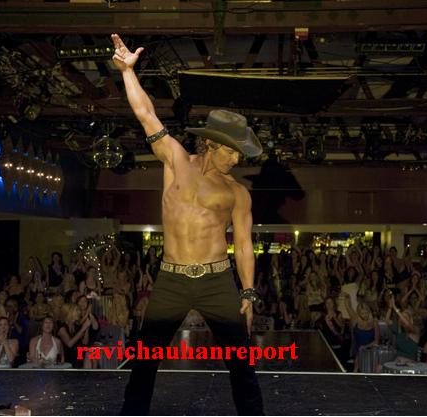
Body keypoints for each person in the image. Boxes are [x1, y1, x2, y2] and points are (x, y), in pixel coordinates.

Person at [111, 33, 264, 415]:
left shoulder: (238, 193)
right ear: (212, 144)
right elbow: (146, 114)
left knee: (241, 364)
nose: (237, 159)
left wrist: (248, 292)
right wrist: (128, 72)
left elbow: (244, 245)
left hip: (217, 281)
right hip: (172, 279)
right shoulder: (176, 160)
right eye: (232, 151)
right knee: (145, 362)